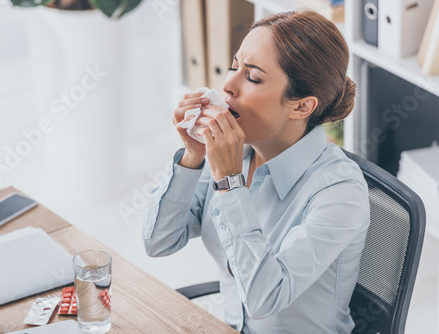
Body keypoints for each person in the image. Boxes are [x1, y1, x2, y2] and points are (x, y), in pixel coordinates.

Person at [143, 9, 370, 334]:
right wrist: (192, 156)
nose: (228, 85)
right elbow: (158, 241)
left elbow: (266, 298)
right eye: (235, 66)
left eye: (252, 77)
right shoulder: (235, 152)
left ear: (302, 106)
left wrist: (230, 184)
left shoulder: (340, 193)